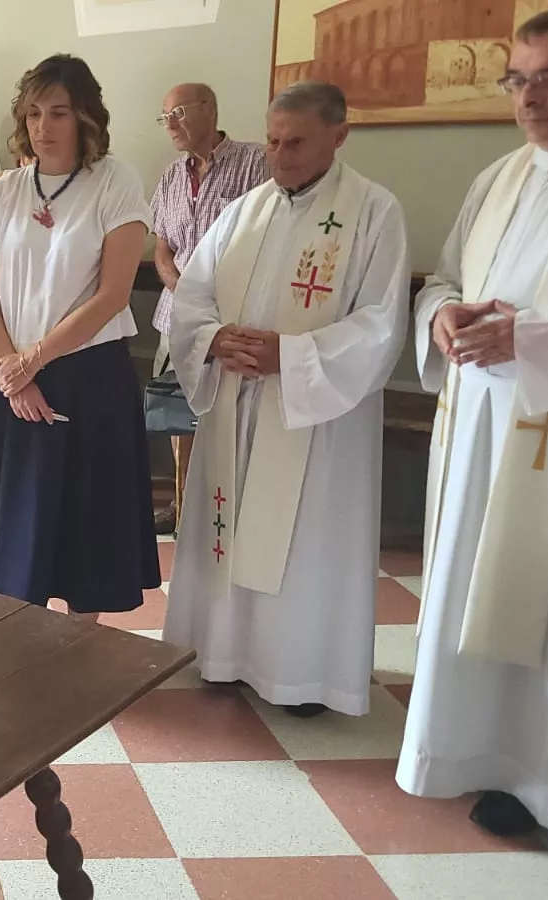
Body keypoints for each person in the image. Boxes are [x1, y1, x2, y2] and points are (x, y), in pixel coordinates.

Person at [397, 4, 548, 854]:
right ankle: (479, 755)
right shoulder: (499, 176)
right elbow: (444, 274)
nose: (530, 96)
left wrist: (534, 336)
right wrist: (442, 316)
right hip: (476, 424)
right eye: (518, 78)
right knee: (470, 583)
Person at [161, 81, 410, 718]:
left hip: (314, 417)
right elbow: (192, 298)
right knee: (232, 527)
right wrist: (214, 340)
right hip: (237, 407)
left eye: (296, 141)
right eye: (272, 140)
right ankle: (221, 655)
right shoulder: (244, 212)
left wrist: (291, 357)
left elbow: (381, 323)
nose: (280, 154)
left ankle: (299, 675)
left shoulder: (374, 212)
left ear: (339, 136)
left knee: (300, 540)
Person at [0, 54, 159, 622]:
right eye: (33, 112)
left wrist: (32, 361)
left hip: (85, 375)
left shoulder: (115, 182)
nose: (43, 125)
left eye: (58, 112)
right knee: (9, 527)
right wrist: (13, 371)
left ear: (86, 116)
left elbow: (111, 295)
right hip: (5, 376)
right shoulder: (5, 190)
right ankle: (15, 640)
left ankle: (80, 645)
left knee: (85, 526)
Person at [148, 83, 268, 533]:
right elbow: (163, 251)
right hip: (177, 318)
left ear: (209, 110)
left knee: (230, 419)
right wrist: (186, 292)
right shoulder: (171, 176)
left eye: (177, 112)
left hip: (235, 319)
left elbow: (268, 240)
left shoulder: (256, 164)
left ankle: (229, 512)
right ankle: (184, 507)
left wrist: (213, 299)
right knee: (180, 418)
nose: (171, 125)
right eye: (164, 117)